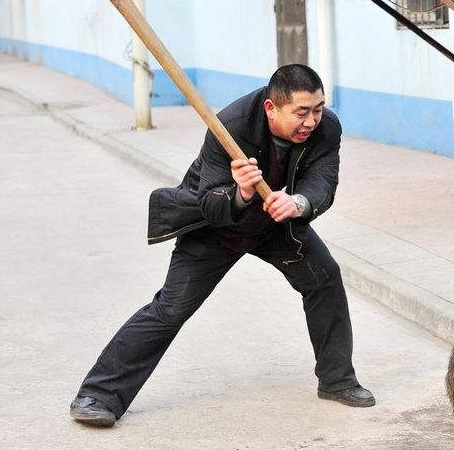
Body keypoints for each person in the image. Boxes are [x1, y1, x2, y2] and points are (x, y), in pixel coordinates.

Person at [70, 64, 374, 427]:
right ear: (271, 108)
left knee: (324, 279)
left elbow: (323, 180)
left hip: (277, 225)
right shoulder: (230, 125)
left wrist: (299, 203)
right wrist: (242, 192)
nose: (312, 120)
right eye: (301, 112)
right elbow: (209, 202)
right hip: (215, 227)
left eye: (318, 108)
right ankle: (99, 395)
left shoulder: (327, 128)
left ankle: (337, 380)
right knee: (171, 308)